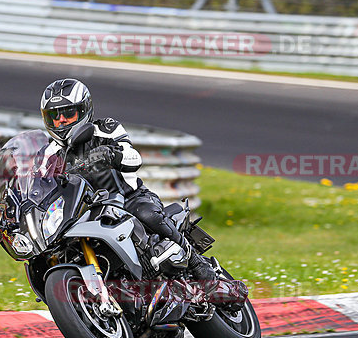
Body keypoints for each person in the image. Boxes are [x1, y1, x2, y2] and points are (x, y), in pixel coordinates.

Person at [38, 77, 247, 305]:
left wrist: (112, 155)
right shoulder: (48, 154)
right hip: (85, 214)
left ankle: (199, 266)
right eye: (54, 116)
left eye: (68, 113)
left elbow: (133, 157)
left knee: (147, 215)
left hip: (128, 199)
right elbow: (40, 186)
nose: (61, 120)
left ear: (84, 110)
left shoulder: (105, 128)